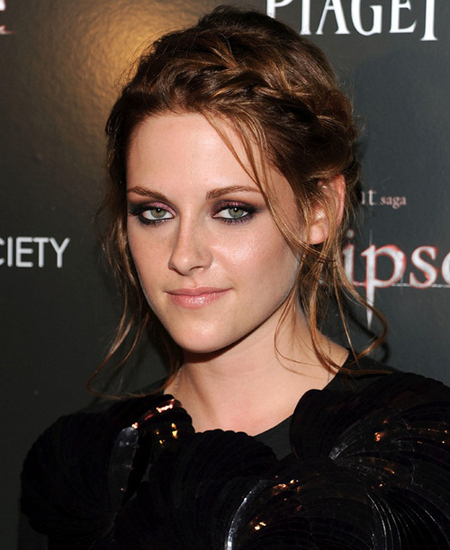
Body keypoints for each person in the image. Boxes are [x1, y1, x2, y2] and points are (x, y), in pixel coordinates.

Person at [20, 6, 450, 549]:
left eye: (232, 210)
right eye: (154, 212)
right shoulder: (79, 471)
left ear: (319, 210)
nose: (184, 255)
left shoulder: (419, 453)